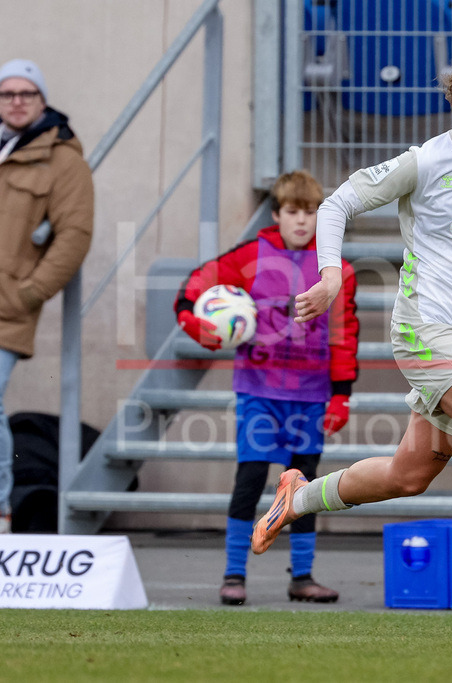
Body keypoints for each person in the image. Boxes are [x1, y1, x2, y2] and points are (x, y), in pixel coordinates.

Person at [249, 57, 452, 627]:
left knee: (411, 473)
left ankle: (296, 498)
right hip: (425, 330)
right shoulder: (426, 161)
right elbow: (338, 204)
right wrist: (329, 276)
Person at [174, 170, 359, 605]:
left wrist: (341, 393)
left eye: (311, 212)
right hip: (258, 393)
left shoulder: (337, 270)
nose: (301, 221)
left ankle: (303, 577)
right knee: (251, 478)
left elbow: (345, 334)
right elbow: (194, 286)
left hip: (311, 397)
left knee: (306, 488)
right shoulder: (249, 256)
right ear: (276, 214)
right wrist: (193, 322)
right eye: (292, 211)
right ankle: (234, 574)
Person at [0, 59, 93, 534]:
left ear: (41, 100)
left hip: (5, 308)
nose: (15, 101)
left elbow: (74, 236)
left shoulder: (63, 159)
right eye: (7, 93)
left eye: (25, 93)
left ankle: (0, 511)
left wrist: (27, 294)